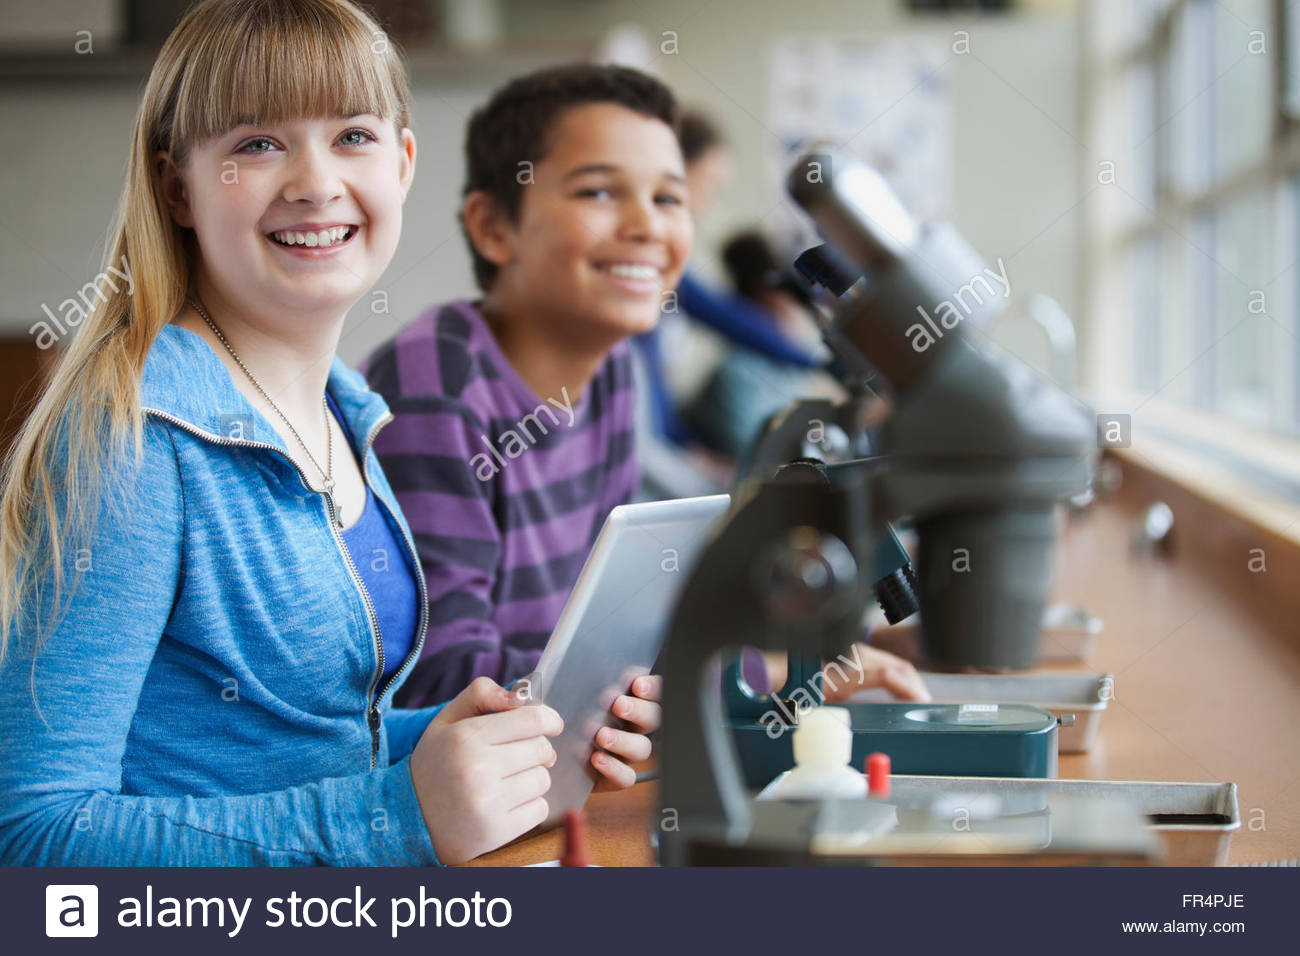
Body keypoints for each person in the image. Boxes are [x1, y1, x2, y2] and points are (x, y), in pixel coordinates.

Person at [0, 0, 652, 868]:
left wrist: (506, 733)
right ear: (176, 187)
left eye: (352, 135)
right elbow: (33, 833)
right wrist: (399, 816)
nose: (314, 181)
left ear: (405, 162)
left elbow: (301, 749)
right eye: (256, 144)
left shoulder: (344, 409)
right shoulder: (135, 437)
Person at [362, 67, 687, 746]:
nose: (646, 226)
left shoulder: (614, 369)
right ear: (493, 227)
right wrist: (718, 677)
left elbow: (614, 617)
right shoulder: (435, 381)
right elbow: (440, 678)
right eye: (599, 191)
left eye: (667, 198)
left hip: (547, 762)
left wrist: (769, 665)